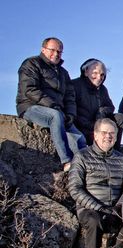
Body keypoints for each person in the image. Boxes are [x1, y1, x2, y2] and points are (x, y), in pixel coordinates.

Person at [16, 37, 86, 172]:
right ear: (43, 49)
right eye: (52, 50)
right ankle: (66, 161)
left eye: (59, 52)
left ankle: (83, 169)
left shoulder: (63, 73)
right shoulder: (31, 64)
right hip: (30, 106)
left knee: (80, 138)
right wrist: (53, 106)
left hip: (59, 110)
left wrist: (70, 114)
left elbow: (70, 96)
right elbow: (29, 89)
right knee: (55, 116)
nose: (56, 54)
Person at [68, 119, 123, 248]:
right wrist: (98, 207)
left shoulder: (122, 159)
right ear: (95, 135)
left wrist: (119, 205)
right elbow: (74, 188)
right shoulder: (82, 156)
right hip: (89, 209)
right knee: (93, 221)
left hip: (114, 207)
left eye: (112, 133)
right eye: (104, 132)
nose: (108, 136)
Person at [72, 59, 115, 146]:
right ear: (86, 72)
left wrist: (101, 112)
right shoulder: (75, 85)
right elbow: (72, 109)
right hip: (80, 127)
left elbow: (110, 106)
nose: (99, 77)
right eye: (95, 73)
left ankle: (115, 151)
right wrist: (92, 125)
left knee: (119, 118)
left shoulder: (102, 89)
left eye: (102, 74)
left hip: (97, 127)